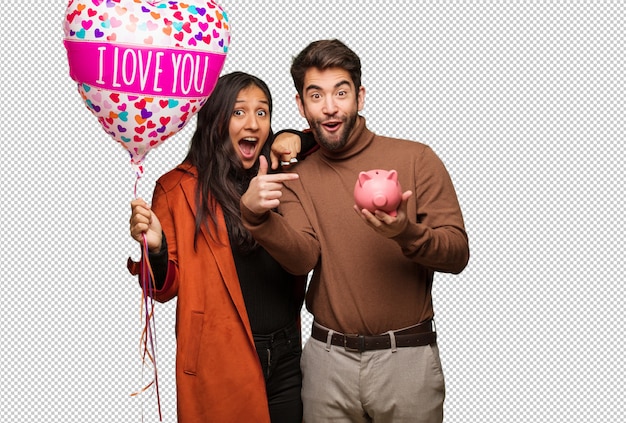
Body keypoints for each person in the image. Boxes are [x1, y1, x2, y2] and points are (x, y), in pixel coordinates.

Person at [240, 39, 470, 423]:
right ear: (301, 106)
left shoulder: (417, 158)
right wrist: (257, 219)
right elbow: (302, 258)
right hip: (327, 364)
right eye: (316, 95)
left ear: (360, 97)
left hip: (407, 360)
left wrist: (405, 233)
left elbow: (457, 253)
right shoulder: (298, 175)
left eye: (341, 92)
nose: (329, 107)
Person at [127, 71, 314, 423]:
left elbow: (333, 137)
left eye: (262, 113)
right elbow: (166, 288)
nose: (254, 123)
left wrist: (297, 138)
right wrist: (156, 247)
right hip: (219, 359)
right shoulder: (176, 188)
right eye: (239, 112)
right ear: (216, 119)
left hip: (287, 354)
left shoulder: (281, 174)